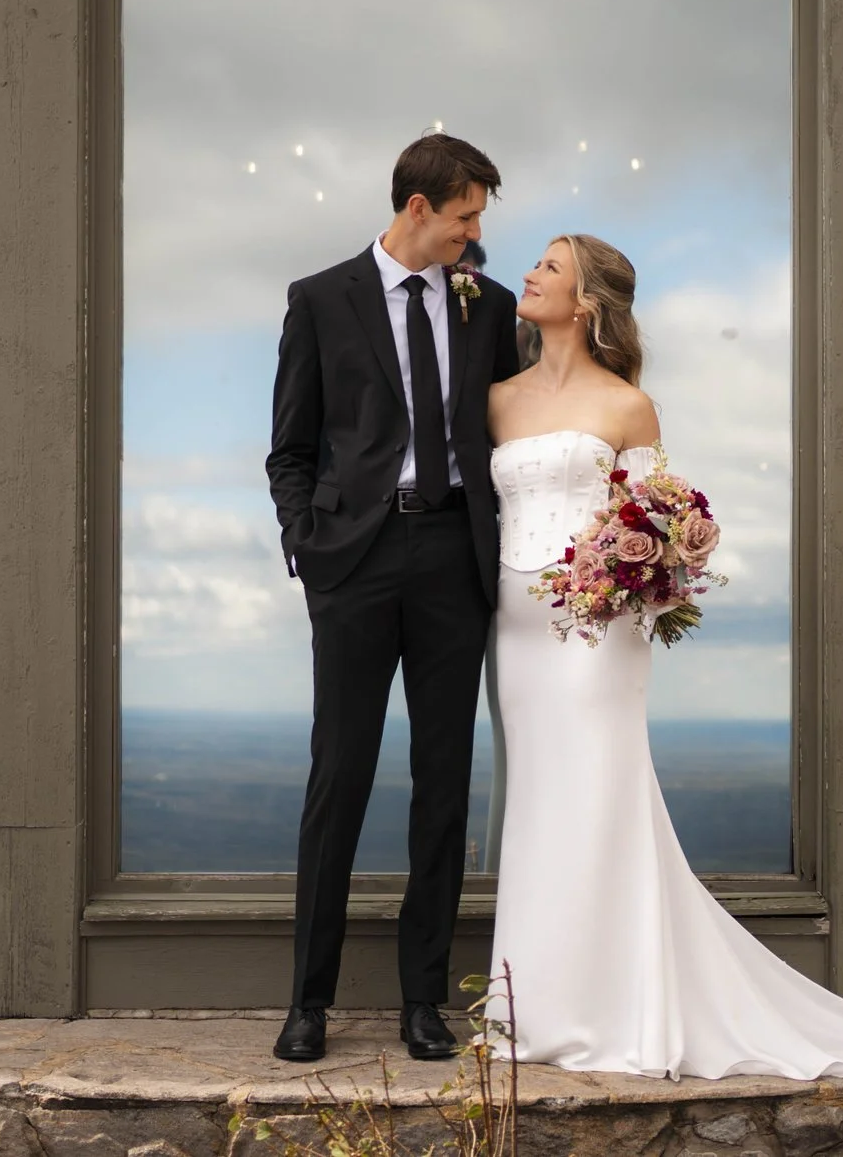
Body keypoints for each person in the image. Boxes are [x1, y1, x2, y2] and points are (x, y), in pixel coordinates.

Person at [486, 233, 843, 1079]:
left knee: (596, 792)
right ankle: (537, 1001)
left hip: (599, 630)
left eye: (549, 266)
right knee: (539, 797)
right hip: (515, 629)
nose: (530, 273)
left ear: (585, 300)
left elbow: (653, 518)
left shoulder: (629, 405)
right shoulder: (498, 399)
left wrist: (633, 566)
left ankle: (610, 1005)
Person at [266, 133, 520, 1064]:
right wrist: (308, 544)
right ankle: (309, 1002)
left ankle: (425, 1000)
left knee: (444, 783)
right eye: (466, 215)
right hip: (354, 564)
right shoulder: (320, 299)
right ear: (418, 208)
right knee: (340, 777)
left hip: (456, 558)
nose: (475, 231)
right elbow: (288, 449)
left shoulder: (486, 305)